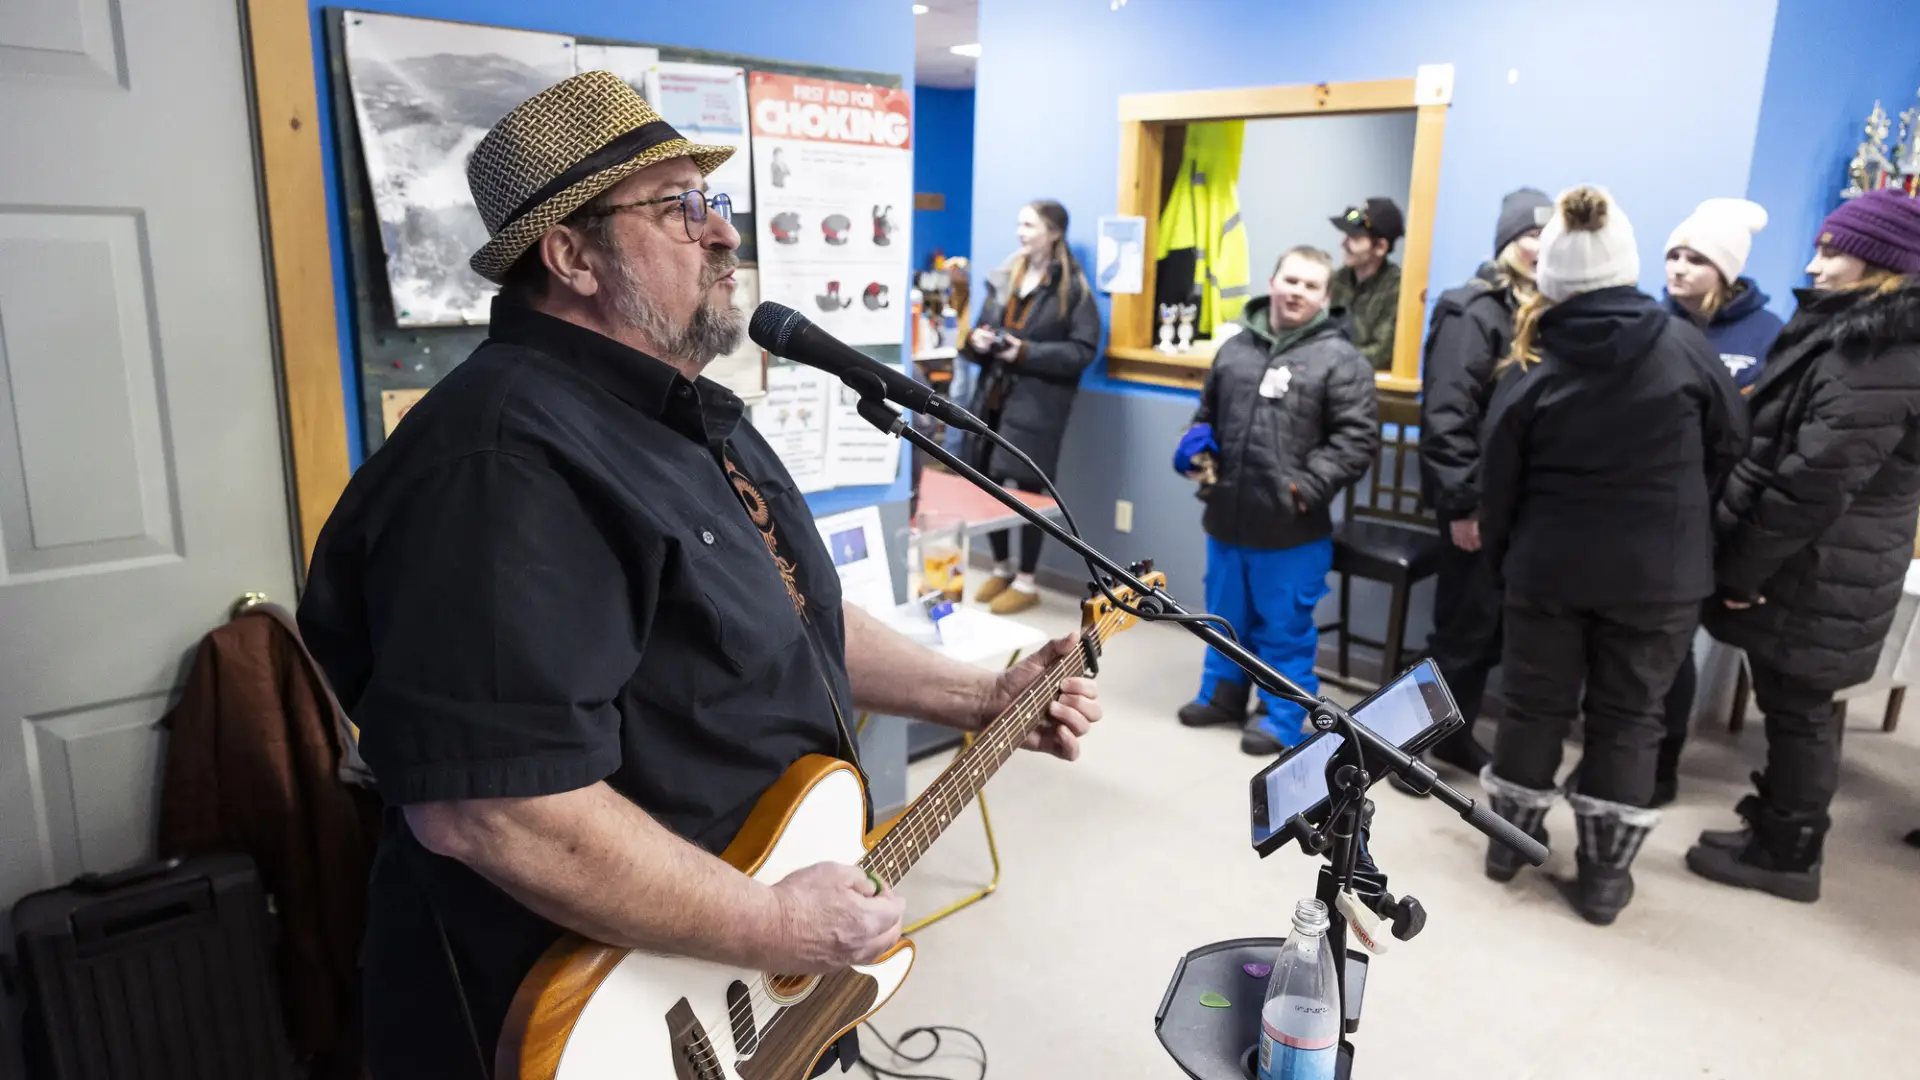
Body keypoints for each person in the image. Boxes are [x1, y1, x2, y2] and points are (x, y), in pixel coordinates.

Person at [294, 73, 1103, 1079]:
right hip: (580, 1016)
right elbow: (495, 807)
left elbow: (798, 622)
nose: (723, 234)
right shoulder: (500, 467)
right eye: (680, 209)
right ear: (570, 254)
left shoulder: (685, 415)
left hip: (741, 976)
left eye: (716, 203)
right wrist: (769, 923)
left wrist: (982, 694)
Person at [1477, 186, 1747, 925]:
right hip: (1659, 577)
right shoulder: (1684, 345)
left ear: (1554, 277)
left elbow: (1496, 480)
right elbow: (1733, 441)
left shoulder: (1532, 360)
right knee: (1631, 719)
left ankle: (1509, 848)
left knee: (1532, 708)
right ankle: (1601, 880)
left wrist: (1505, 559)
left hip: (1548, 569)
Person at [1687, 187, 1920, 903]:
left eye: (1831, 251)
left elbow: (1813, 479)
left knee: (1799, 709)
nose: (1814, 267)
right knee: (1793, 704)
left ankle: (1788, 854)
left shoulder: (1880, 353)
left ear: (1877, 265)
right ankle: (1776, 830)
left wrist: (1747, 567)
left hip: (1819, 567)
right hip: (1821, 563)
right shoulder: (1861, 337)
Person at [1173, 246, 1379, 755]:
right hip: (1226, 517)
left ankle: (1281, 715)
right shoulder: (1235, 349)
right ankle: (1221, 694)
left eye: (1310, 285)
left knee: (1284, 626)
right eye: (1290, 280)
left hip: (1292, 527)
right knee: (1223, 617)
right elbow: (1207, 413)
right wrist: (1196, 444)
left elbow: (1356, 442)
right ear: (1271, 281)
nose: (1297, 292)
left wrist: (1301, 490)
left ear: (1326, 297)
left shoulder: (1342, 361)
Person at [1411, 187, 1552, 788]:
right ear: (1507, 242)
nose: (1540, 248)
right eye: (1529, 236)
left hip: (1523, 510)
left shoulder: (1547, 311)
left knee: (1491, 632)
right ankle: (1408, 752)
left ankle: (1455, 734)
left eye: (1551, 239)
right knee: (1461, 635)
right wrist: (1464, 506)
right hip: (1475, 504)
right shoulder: (1473, 310)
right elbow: (1447, 417)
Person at [1652, 197, 1786, 806]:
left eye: (1697, 259)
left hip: (1719, 513)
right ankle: (1638, 763)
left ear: (1726, 271)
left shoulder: (1766, 334)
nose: (1679, 269)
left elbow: (1769, 435)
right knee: (1651, 648)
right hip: (1650, 513)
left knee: (1683, 648)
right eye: (1673, 255)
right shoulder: (1648, 321)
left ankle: (1666, 762)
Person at [962, 200, 1102, 615]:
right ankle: (1003, 568)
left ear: (1054, 231)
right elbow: (981, 330)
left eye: (1030, 225)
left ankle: (1027, 580)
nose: (1021, 232)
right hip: (992, 400)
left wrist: (1025, 352)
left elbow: (1081, 351)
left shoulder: (1072, 291)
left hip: (1039, 407)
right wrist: (978, 342)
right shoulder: (1006, 277)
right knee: (986, 480)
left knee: (1028, 491)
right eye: (1019, 224)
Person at [1328, 196, 1406, 371]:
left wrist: (1330, 361)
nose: (1344, 243)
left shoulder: (1398, 289)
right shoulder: (1336, 279)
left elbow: (1381, 352)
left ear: (1380, 247)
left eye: (1354, 237)